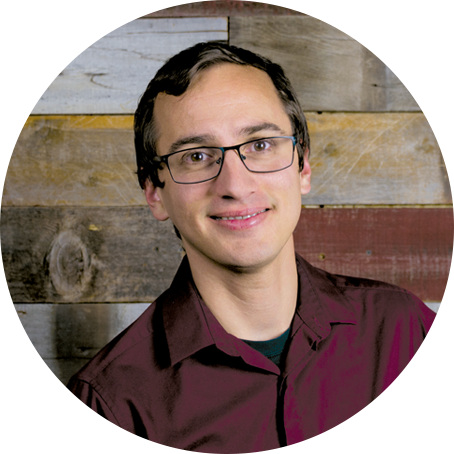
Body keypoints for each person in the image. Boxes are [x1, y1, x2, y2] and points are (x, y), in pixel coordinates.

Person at [59, 42, 454, 453]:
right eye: (197, 156)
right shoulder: (106, 405)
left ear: (303, 166)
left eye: (261, 145)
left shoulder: (399, 329)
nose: (236, 185)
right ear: (154, 192)